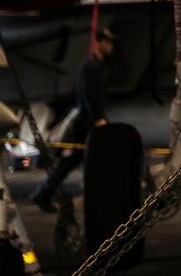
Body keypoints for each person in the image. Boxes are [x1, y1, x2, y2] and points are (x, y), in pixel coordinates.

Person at [30, 26, 117, 212]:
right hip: (87, 122)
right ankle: (44, 192)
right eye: (108, 42)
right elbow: (89, 96)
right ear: (99, 43)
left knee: (79, 160)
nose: (111, 46)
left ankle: (44, 193)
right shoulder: (91, 67)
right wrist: (98, 119)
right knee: (84, 159)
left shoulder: (97, 66)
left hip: (89, 120)